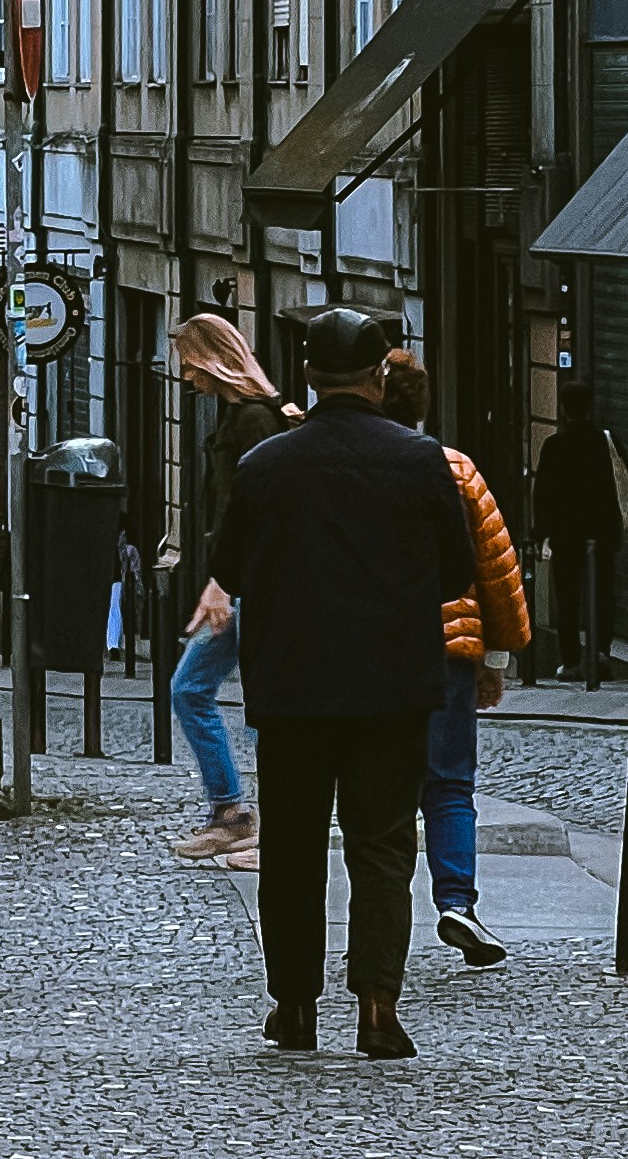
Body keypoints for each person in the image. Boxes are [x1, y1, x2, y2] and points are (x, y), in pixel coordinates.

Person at [195, 302, 472, 1059]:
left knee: (292, 847)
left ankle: (294, 1007)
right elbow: (457, 573)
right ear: (379, 374)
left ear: (310, 378)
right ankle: (379, 1006)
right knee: (382, 845)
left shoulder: (266, 465)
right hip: (391, 687)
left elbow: (228, 566)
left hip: (295, 690)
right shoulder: (420, 461)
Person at [381, 348, 531, 968]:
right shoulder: (456, 469)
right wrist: (498, 654)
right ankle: (457, 902)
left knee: (383, 786)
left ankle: (383, 906)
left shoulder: (360, 466)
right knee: (449, 784)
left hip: (376, 652)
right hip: (449, 651)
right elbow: (498, 566)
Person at [165, 310, 294, 863]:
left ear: (210, 360)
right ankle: (236, 812)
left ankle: (252, 818)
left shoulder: (254, 422)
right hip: (243, 581)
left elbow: (251, 511)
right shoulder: (244, 416)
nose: (187, 379)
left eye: (190, 368)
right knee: (197, 689)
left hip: (253, 584)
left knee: (218, 693)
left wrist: (223, 581)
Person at [532, 376, 628, 669]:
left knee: (568, 597)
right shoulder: (603, 442)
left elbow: (543, 493)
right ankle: (601, 650)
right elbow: (617, 485)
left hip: (567, 535)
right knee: (601, 594)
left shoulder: (554, 445)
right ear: (590, 408)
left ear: (563, 408)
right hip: (600, 532)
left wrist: (541, 533)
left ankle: (571, 659)